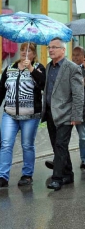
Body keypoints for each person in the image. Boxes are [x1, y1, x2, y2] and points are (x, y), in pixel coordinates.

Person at [0, 42, 46, 187]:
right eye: (22, 50)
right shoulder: (9, 69)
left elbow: (43, 84)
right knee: (6, 144)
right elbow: (1, 90)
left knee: (27, 145)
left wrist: (30, 68)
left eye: (28, 51)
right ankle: (3, 176)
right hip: (10, 114)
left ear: (34, 54)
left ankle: (27, 174)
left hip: (30, 116)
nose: (24, 53)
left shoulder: (38, 68)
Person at [43, 38, 84, 191]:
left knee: (60, 144)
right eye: (49, 47)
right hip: (50, 113)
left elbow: (78, 94)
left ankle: (57, 178)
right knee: (58, 145)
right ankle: (68, 174)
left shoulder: (72, 68)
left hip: (66, 114)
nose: (51, 50)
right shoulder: (49, 67)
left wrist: (76, 116)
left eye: (54, 47)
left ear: (63, 50)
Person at [71, 46, 85, 170]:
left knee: (83, 136)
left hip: (82, 109)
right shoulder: (67, 68)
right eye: (74, 54)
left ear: (84, 57)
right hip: (68, 109)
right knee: (62, 137)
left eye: (78, 55)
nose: (75, 57)